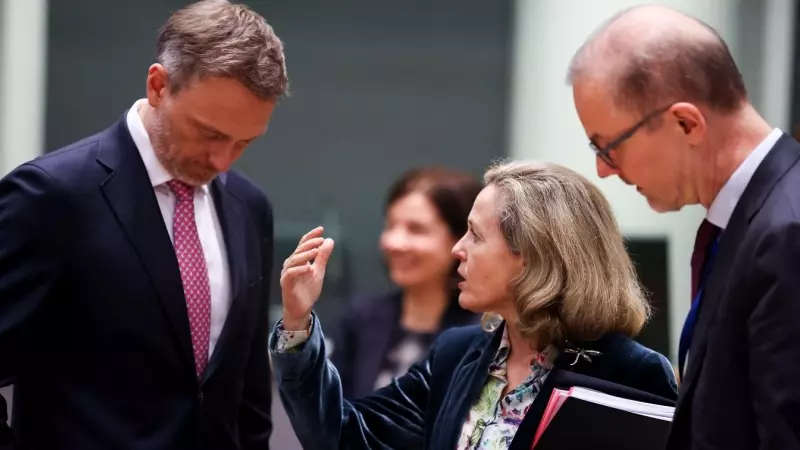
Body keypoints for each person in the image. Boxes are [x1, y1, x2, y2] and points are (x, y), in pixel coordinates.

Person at [0, 1, 286, 448]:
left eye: (244, 142)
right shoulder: (52, 195)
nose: (222, 160)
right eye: (210, 133)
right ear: (158, 86)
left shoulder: (250, 205)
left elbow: (245, 394)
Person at [271, 161, 677, 449]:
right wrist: (297, 321)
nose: (457, 250)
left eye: (474, 236)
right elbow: (342, 435)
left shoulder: (632, 372)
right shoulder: (456, 355)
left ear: (532, 255)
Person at [568, 5, 800, 449]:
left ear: (685, 122)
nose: (602, 170)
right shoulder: (748, 219)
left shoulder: (786, 231)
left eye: (609, 146)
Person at [331, 167, 481, 399]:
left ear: (459, 238)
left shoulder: (483, 332)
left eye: (416, 229)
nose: (394, 242)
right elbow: (331, 416)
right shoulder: (360, 319)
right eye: (391, 226)